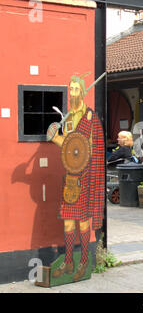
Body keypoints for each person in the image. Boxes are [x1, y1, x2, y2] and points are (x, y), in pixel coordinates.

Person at [48, 73, 105, 282]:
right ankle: (69, 260)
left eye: (75, 89)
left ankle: (84, 262)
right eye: (69, 89)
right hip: (70, 177)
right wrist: (55, 137)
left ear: (82, 91)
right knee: (68, 222)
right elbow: (70, 146)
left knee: (83, 222)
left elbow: (92, 149)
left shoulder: (90, 118)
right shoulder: (70, 118)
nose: (72, 93)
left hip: (87, 175)